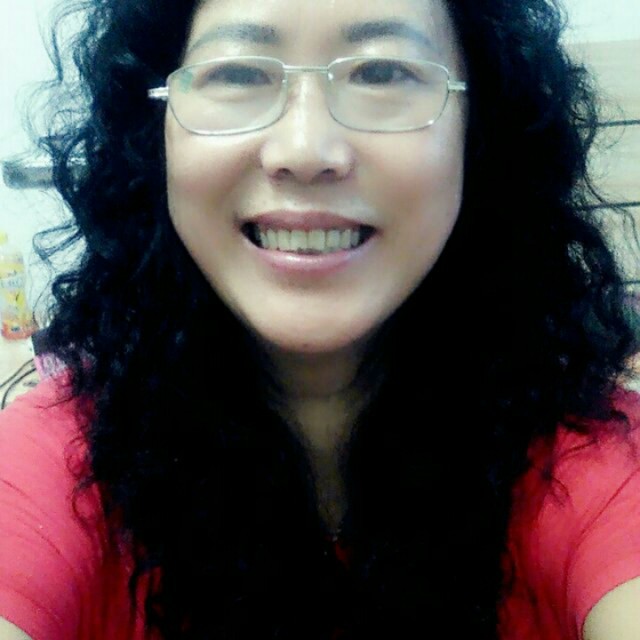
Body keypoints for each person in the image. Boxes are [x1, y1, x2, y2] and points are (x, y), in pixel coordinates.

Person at [1, 0, 639, 638]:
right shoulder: (54, 464)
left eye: (381, 73)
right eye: (238, 73)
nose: (305, 151)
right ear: (156, 131)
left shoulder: (596, 458)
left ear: (479, 131)